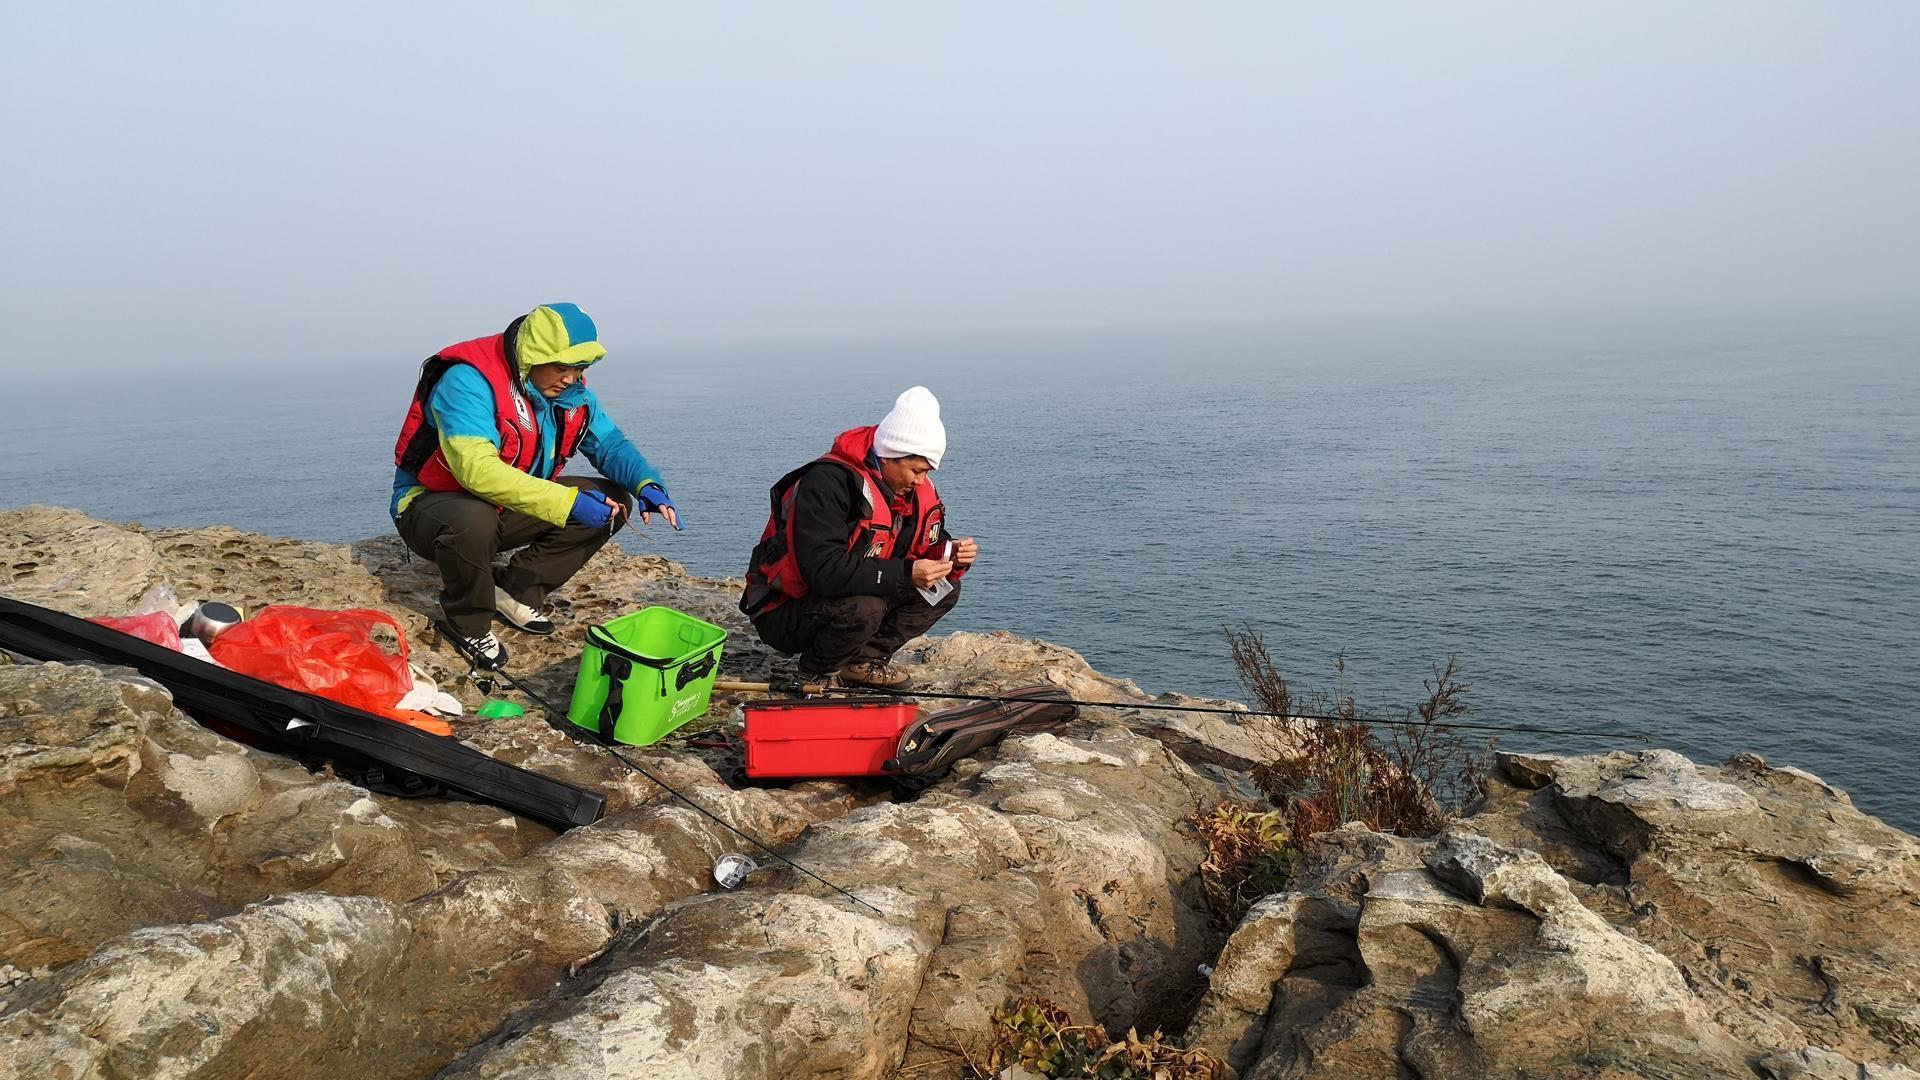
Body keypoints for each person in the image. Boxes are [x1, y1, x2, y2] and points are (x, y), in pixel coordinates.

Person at [390, 302, 678, 668]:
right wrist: (568, 502)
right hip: (432, 506)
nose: (571, 378)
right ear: (533, 355)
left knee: (613, 500)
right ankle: (469, 623)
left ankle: (514, 590)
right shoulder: (467, 381)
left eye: (579, 368)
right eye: (562, 366)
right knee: (472, 521)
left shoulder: (568, 394)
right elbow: (476, 472)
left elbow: (609, 444)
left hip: (502, 506)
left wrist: (647, 484)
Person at [741, 386, 978, 689]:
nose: (921, 480)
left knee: (943, 588)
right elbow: (822, 572)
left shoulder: (910, 489)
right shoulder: (828, 483)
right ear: (890, 456)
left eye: (927, 472)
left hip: (851, 592)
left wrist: (948, 553)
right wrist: (906, 573)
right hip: (786, 610)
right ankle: (815, 672)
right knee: (865, 606)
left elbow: (916, 540)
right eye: (915, 470)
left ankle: (861, 662)